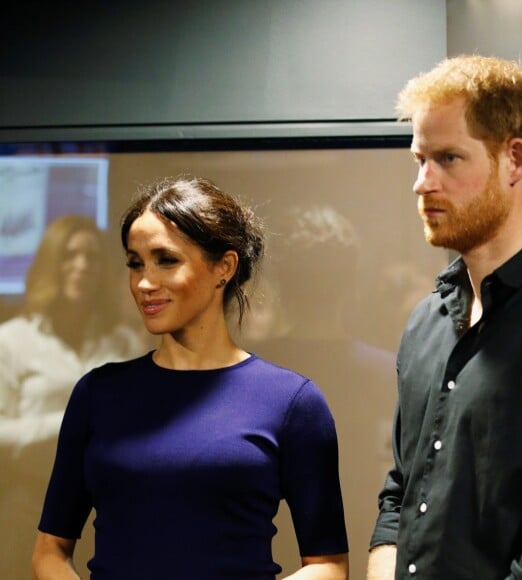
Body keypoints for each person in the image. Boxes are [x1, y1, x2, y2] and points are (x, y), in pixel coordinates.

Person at [32, 177, 349, 579]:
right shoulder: (98, 394)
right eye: (135, 263)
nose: (145, 283)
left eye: (166, 260)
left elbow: (329, 566)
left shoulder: (291, 401)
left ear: (224, 267)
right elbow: (49, 551)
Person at [367, 55, 522, 579]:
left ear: (515, 161)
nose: (423, 183)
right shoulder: (427, 321)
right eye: (419, 160)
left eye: (447, 159)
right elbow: (402, 489)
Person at [253, 203, 397, 579]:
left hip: (275, 554)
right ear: (350, 281)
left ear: (281, 283)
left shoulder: (250, 372)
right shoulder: (386, 371)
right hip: (367, 549)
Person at [0, 214, 141, 580]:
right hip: (30, 505)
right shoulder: (11, 341)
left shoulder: (123, 343)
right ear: (51, 263)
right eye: (69, 255)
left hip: (110, 510)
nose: (81, 266)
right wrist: (69, 424)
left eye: (92, 258)